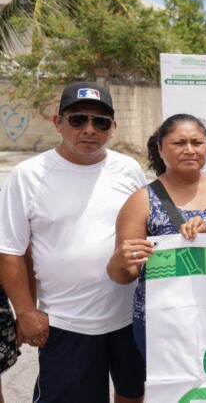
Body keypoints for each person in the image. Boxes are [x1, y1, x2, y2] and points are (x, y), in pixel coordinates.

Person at [0, 82, 147, 402]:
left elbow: (149, 230)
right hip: (67, 324)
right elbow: (9, 251)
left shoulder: (129, 169)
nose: (90, 129)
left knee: (132, 394)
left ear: (113, 128)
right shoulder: (28, 175)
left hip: (129, 319)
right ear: (58, 122)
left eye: (101, 122)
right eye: (78, 119)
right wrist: (26, 312)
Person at [107, 114, 206, 359]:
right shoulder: (142, 200)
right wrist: (118, 261)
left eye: (197, 142)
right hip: (166, 324)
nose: (190, 150)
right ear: (160, 148)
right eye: (179, 143)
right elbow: (124, 275)